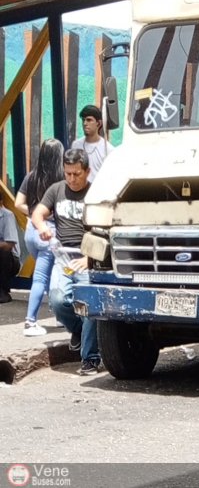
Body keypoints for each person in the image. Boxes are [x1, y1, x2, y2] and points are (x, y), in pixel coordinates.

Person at [31, 148, 100, 375]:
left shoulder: (96, 194)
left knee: (89, 306)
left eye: (76, 174)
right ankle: (77, 329)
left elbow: (104, 232)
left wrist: (89, 258)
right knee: (58, 299)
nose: (71, 179)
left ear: (87, 171)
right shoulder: (56, 189)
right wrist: (42, 228)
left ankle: (90, 358)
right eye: (68, 173)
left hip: (88, 257)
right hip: (63, 257)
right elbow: (38, 214)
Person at [15, 139, 65, 335]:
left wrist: (36, 213)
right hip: (49, 233)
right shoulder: (61, 179)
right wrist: (47, 215)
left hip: (31, 231)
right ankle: (30, 322)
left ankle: (59, 317)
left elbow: (19, 203)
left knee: (46, 274)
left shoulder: (31, 176)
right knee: (46, 277)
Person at [71, 104, 114, 181]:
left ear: (99, 123)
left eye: (89, 120)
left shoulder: (108, 149)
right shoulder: (76, 145)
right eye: (83, 120)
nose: (85, 123)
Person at [0, 204, 21, 304]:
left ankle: (3, 292)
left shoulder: (7, 215)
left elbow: (9, 244)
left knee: (4, 252)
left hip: (10, 260)